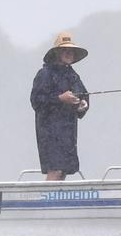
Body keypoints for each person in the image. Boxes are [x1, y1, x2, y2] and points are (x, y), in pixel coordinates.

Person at [30, 31, 90, 181]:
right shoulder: (45, 74)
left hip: (68, 131)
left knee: (63, 171)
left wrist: (82, 104)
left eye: (71, 51)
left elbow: (83, 94)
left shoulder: (72, 75)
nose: (69, 53)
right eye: (65, 50)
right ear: (57, 53)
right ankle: (46, 203)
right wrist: (60, 99)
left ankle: (54, 202)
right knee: (55, 169)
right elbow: (36, 101)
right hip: (49, 131)